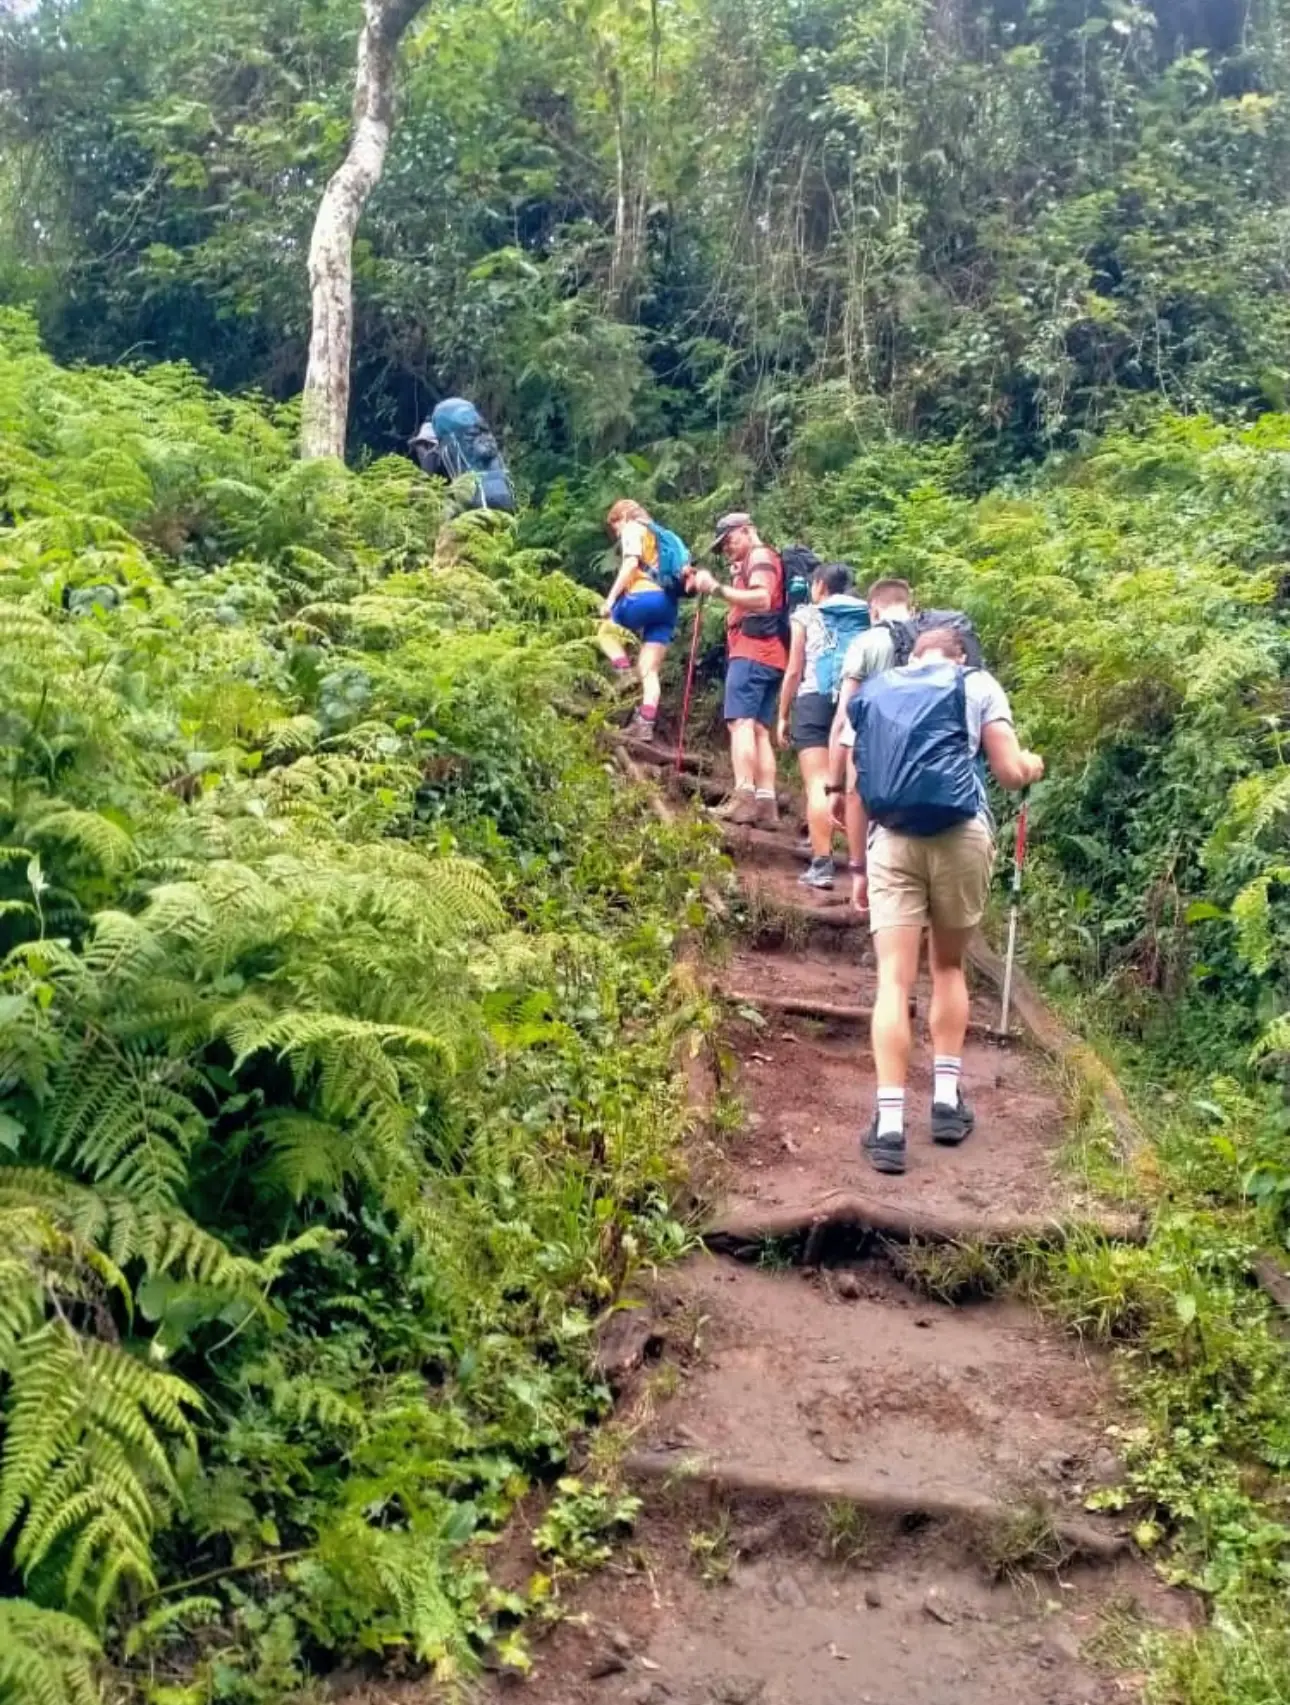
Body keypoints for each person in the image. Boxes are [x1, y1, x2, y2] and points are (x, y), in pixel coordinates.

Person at [851, 627, 1043, 1176]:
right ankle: (944, 1101)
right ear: (960, 656)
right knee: (949, 966)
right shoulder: (978, 684)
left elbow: (858, 782)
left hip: (891, 839)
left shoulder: (879, 689)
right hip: (961, 833)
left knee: (894, 979)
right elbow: (1008, 772)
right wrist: (1032, 765)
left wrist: (858, 866)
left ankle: (888, 1128)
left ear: (913, 656)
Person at [775, 562, 871, 889]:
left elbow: (793, 670)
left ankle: (822, 864)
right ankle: (864, 865)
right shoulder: (868, 615)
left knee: (818, 782)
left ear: (819, 585)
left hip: (814, 699)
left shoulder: (806, 615)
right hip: (859, 700)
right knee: (854, 784)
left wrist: (783, 714)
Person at [827, 577, 918, 913]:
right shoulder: (931, 640)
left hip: (869, 742)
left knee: (857, 795)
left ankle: (860, 875)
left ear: (874, 607)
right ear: (909, 604)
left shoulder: (867, 641)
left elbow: (844, 717)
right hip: (917, 748)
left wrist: (832, 785)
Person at [692, 512, 787, 827]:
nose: (725, 550)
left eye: (729, 541)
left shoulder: (759, 556)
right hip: (773, 654)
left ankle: (743, 798)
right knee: (759, 729)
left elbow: (761, 599)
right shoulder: (760, 559)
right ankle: (766, 805)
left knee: (740, 724)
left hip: (752, 652)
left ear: (746, 531)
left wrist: (716, 588)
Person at [598, 499, 686, 742]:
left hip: (643, 596)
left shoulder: (633, 528)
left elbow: (630, 563)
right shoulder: (660, 535)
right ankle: (645, 723)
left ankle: (624, 673)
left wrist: (610, 599)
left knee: (605, 632)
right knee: (649, 670)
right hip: (668, 605)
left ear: (623, 516)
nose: (617, 532)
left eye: (616, 526)